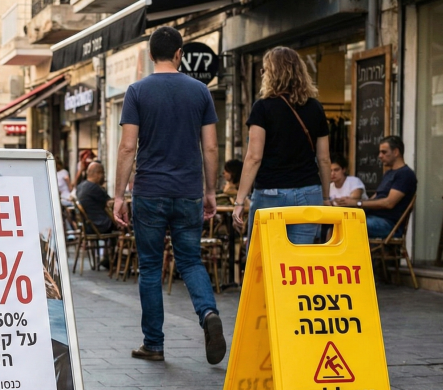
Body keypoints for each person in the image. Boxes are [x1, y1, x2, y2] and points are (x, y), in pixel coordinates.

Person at [112, 26, 226, 365]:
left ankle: (154, 343)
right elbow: (210, 146)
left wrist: (119, 195)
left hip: (150, 191)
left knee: (149, 267)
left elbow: (128, 146)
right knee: (190, 261)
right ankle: (208, 314)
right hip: (189, 191)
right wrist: (210, 190)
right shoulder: (200, 91)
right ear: (180, 54)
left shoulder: (136, 91)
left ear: (150, 55)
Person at [231, 46, 331, 244]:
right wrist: (326, 197)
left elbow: (254, 157)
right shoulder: (315, 107)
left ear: (273, 73)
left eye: (264, 70)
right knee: (300, 263)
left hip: (271, 192)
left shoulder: (263, 107)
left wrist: (239, 201)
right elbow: (324, 159)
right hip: (309, 191)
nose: (263, 74)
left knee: (265, 260)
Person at [334, 136, 417, 238]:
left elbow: (389, 203)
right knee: (337, 221)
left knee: (346, 225)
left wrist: (357, 202)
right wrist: (351, 203)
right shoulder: (389, 173)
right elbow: (376, 196)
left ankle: (351, 254)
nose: (380, 156)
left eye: (384, 152)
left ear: (396, 152)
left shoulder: (405, 174)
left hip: (388, 224)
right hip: (373, 217)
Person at [75, 161, 113, 234]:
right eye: (103, 173)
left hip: (87, 226)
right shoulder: (95, 188)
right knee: (123, 223)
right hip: (100, 225)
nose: (104, 176)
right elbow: (110, 203)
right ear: (98, 174)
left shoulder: (80, 186)